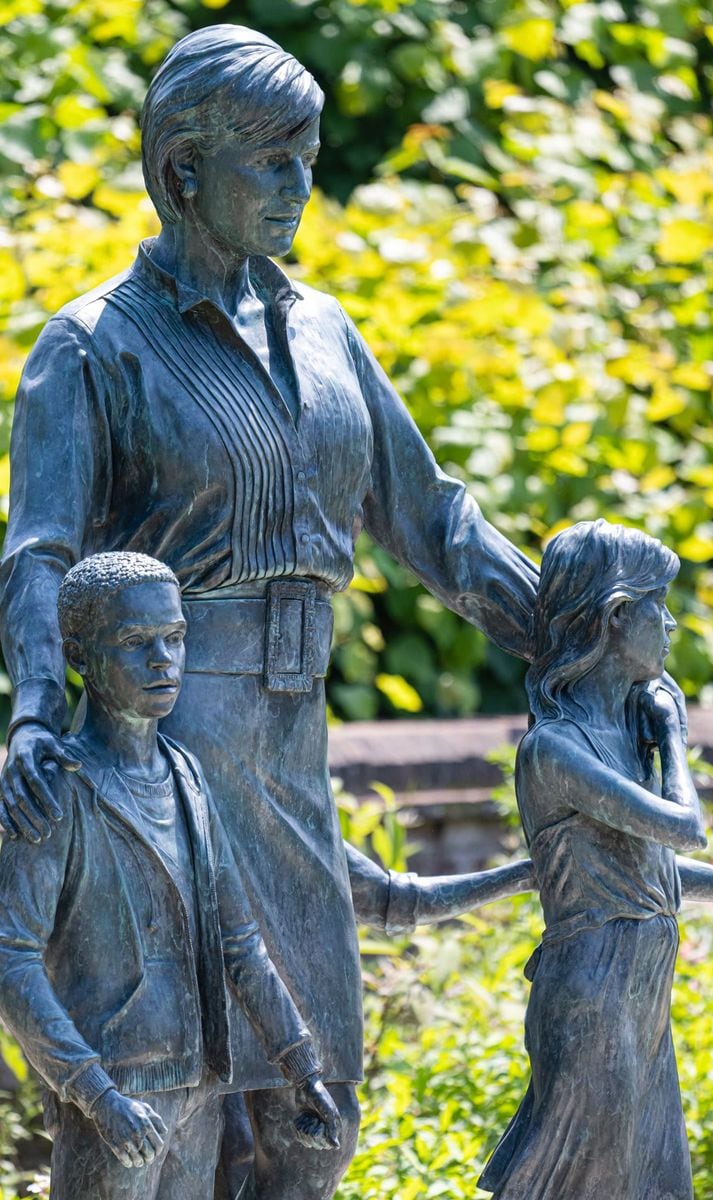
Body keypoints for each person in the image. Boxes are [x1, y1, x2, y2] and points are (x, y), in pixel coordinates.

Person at [0, 24, 540, 1200]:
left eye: (306, 158)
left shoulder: (326, 332)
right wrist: (38, 711)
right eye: (271, 160)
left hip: (291, 753)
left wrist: (572, 632)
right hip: (162, 750)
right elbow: (40, 551)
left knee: (312, 1119)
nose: (304, 186)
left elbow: (436, 523)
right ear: (182, 168)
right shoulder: (94, 348)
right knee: (179, 1109)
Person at [0, 551, 345, 1199]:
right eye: (136, 642)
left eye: (176, 637)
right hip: (115, 1098)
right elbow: (9, 957)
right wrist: (97, 1096)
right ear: (78, 654)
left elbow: (239, 943)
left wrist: (301, 1068)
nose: (164, 659)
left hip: (197, 1087)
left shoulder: (187, 775)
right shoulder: (55, 791)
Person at [477, 520, 713, 1200]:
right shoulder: (557, 749)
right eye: (659, 604)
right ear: (617, 615)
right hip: (595, 993)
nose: (671, 624)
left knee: (657, 1182)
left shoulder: (618, 734)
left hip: (640, 989)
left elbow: (658, 877)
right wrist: (673, 734)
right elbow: (683, 828)